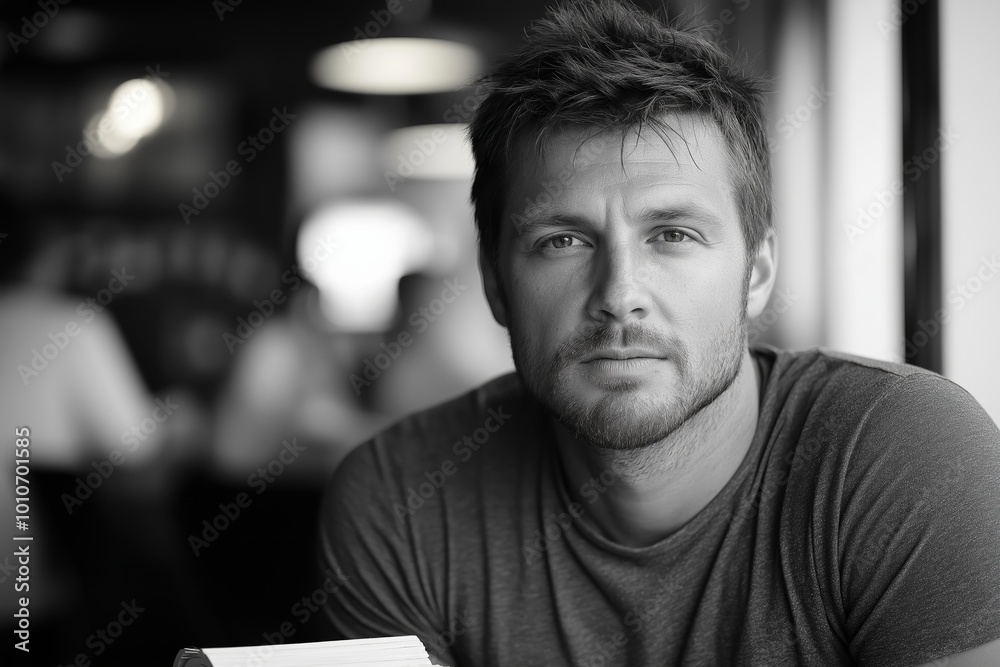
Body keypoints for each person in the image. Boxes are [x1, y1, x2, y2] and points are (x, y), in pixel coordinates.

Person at [317, 2, 1000, 665]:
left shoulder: (910, 456)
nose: (619, 297)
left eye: (673, 235)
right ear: (496, 283)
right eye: (563, 240)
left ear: (757, 271)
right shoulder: (400, 498)